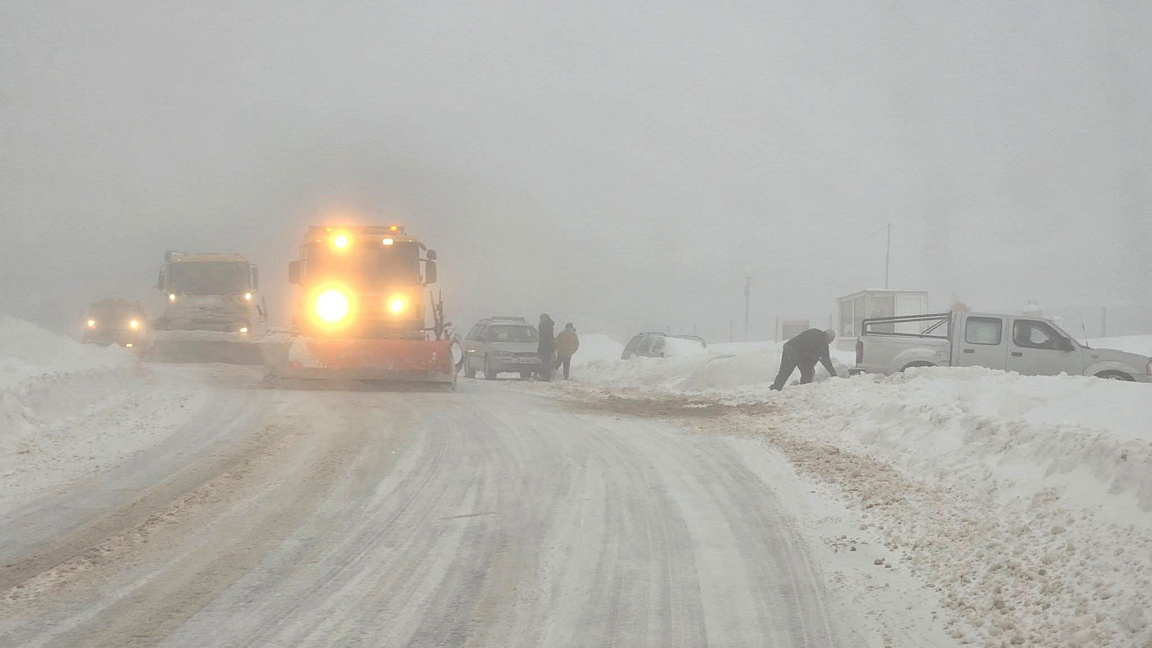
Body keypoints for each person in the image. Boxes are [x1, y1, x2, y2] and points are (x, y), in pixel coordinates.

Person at [770, 328, 838, 391]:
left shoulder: (816, 333)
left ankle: (776, 389)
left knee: (785, 372)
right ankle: (803, 389)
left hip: (790, 349)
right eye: (832, 338)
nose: (832, 341)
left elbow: (816, 355)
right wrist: (834, 374)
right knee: (806, 372)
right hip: (794, 352)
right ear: (828, 335)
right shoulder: (822, 340)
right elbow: (825, 359)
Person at [537, 313, 556, 381]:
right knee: (547, 362)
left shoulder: (543, 325)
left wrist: (540, 346)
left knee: (544, 362)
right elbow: (550, 337)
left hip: (544, 346)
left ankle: (545, 376)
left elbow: (543, 338)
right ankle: (546, 376)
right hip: (549, 346)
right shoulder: (549, 325)